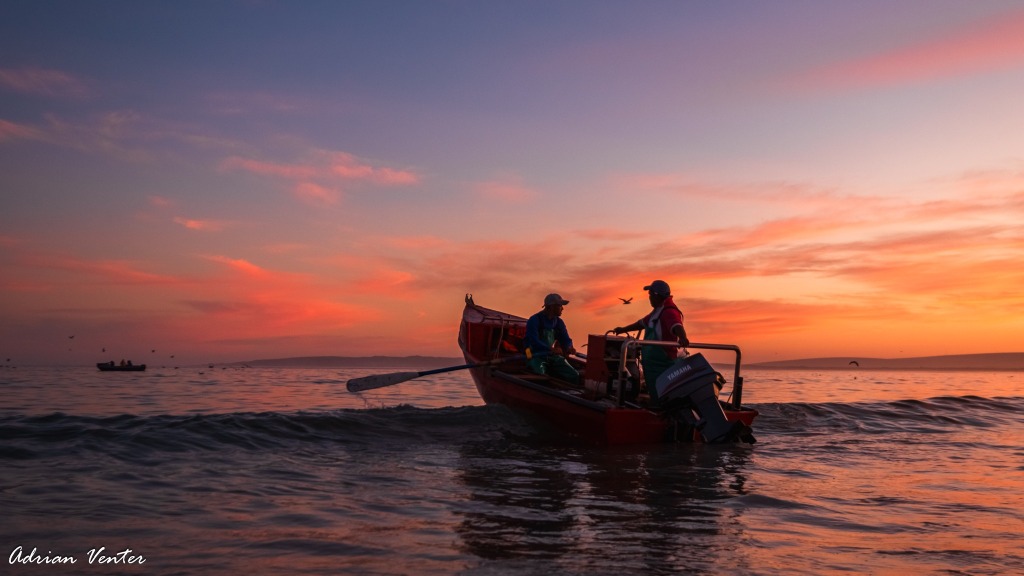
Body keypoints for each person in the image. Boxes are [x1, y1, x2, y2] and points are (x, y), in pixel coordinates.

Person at [612, 280, 689, 403]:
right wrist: (622, 329)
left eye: (650, 294)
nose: (649, 298)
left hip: (663, 363)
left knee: (662, 395)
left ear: (657, 295)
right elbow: (640, 323)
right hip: (652, 364)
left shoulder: (669, 311)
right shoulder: (656, 312)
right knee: (655, 392)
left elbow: (676, 325)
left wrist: (683, 337)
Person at [524, 293, 581, 383]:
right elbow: (533, 340)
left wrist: (569, 347)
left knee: (574, 375)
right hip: (532, 354)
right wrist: (550, 349)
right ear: (551, 307)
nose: (562, 308)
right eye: (560, 306)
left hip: (550, 355)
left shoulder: (559, 322)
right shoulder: (534, 320)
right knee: (539, 376)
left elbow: (565, 339)